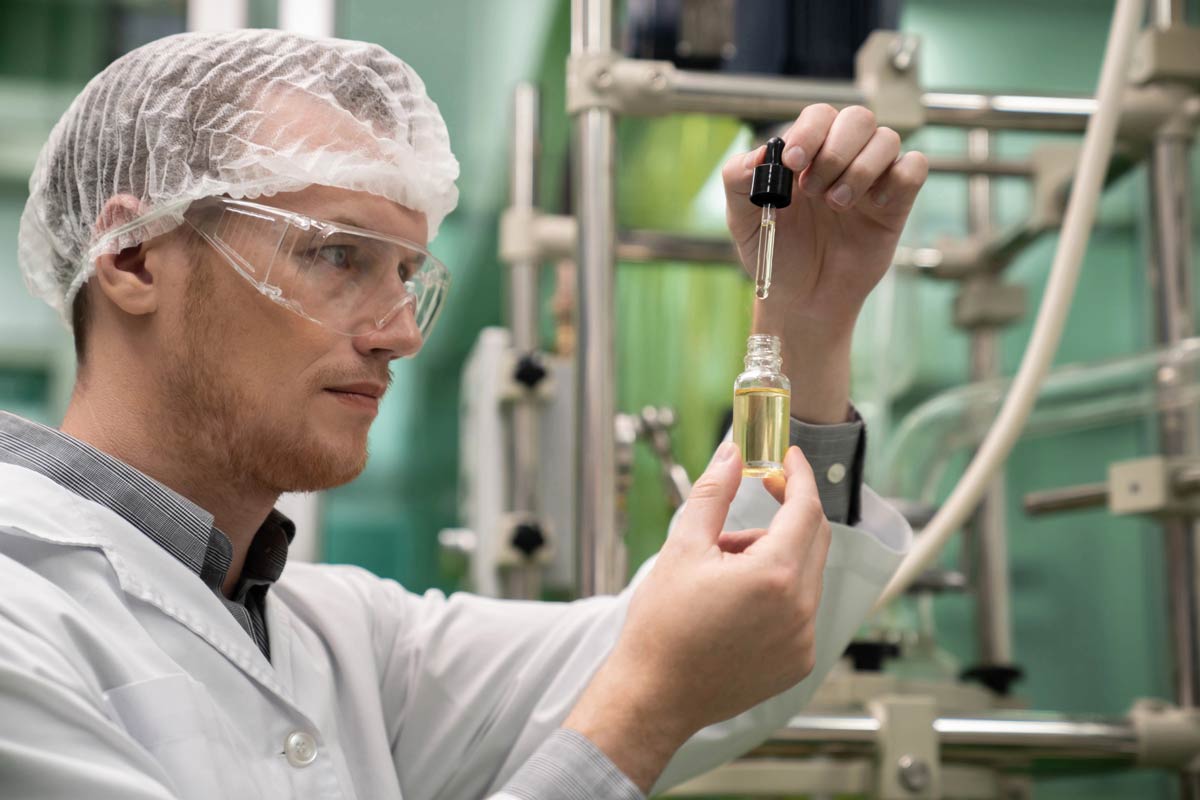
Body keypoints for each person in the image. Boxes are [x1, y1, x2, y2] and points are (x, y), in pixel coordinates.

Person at [0, 28, 925, 800]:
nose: (400, 335)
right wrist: (639, 714)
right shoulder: (19, 616)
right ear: (131, 257)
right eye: (336, 255)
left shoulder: (343, 639)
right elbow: (650, 683)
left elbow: (721, 640)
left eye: (406, 273)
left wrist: (805, 321)